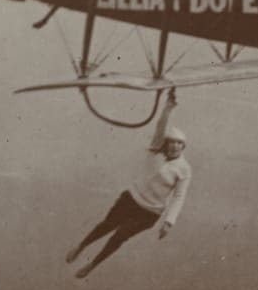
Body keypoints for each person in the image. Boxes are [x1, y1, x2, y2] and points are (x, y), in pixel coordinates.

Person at [66, 88, 192, 279]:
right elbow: (160, 127)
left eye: (179, 143)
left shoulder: (184, 168)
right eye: (172, 142)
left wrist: (169, 222)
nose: (174, 146)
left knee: (120, 236)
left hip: (149, 212)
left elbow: (179, 197)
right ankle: (81, 246)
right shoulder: (154, 151)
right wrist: (168, 107)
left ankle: (93, 264)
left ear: (183, 146)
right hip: (131, 199)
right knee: (108, 225)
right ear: (165, 144)